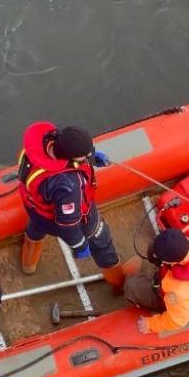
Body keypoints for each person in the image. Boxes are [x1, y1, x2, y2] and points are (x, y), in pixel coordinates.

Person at [16, 122, 127, 293]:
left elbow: (68, 158)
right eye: (85, 155)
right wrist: (79, 245)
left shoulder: (42, 146)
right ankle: (119, 282)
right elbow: (68, 225)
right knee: (100, 240)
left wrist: (91, 157)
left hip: (35, 210)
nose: (88, 155)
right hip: (66, 219)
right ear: (70, 157)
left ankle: (28, 263)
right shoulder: (68, 185)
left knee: (36, 227)